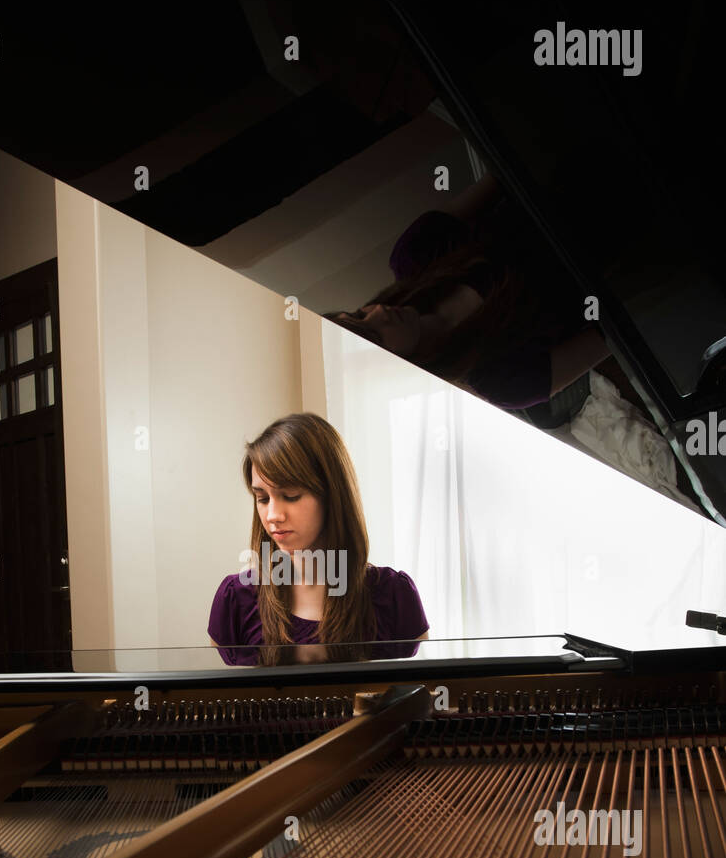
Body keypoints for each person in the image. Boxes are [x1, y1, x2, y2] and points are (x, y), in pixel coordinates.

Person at [325, 170, 611, 410]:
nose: (378, 312)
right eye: (376, 336)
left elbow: (503, 174)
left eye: (358, 314)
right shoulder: (506, 382)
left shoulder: (415, 254)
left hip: (577, 174)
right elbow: (617, 334)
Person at [208, 412, 428, 666]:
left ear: (333, 496)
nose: (273, 516)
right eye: (263, 498)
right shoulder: (236, 599)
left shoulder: (393, 595)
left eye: (290, 495)